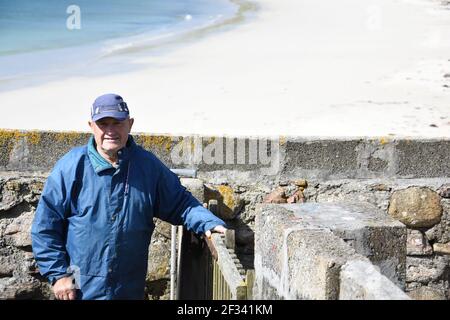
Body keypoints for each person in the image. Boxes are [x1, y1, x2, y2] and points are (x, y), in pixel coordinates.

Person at [31, 93, 227, 300]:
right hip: (79, 288)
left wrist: (207, 222)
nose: (110, 131)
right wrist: (59, 274)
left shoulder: (148, 166)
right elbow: (45, 227)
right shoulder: (70, 167)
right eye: (103, 123)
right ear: (91, 126)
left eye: (117, 123)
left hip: (127, 288)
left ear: (130, 124)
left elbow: (180, 203)